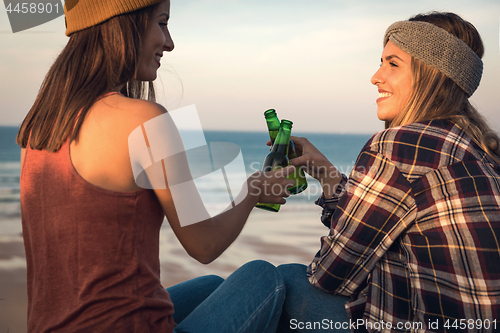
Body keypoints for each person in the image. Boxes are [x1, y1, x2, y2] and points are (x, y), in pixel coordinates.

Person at [16, 0, 295, 332]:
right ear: (124, 25)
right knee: (265, 277)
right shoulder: (144, 120)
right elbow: (204, 245)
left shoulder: (39, 126)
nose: (169, 42)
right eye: (161, 23)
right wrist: (253, 191)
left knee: (209, 287)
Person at [277, 11, 500, 332]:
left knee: (277, 280)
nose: (376, 77)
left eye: (393, 64)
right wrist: (327, 175)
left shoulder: (401, 146)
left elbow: (331, 274)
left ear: (432, 74)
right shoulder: (483, 151)